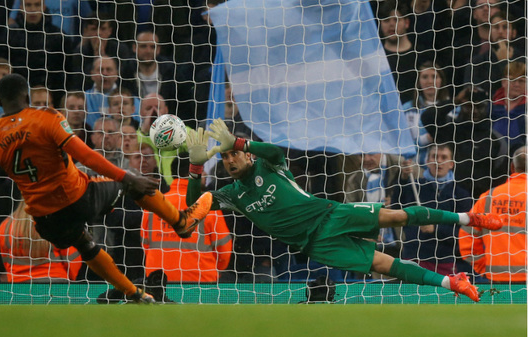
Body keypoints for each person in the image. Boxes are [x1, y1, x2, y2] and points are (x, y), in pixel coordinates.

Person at [0, 74, 213, 303]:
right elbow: (86, 156)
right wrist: (127, 177)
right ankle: (181, 221)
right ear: (28, 97)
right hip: (79, 196)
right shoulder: (46, 117)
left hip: (46, 220)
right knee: (133, 188)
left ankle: (133, 293)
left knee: (85, 244)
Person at [184, 118, 506, 302]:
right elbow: (192, 204)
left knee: (394, 216)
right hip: (315, 244)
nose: (229, 162)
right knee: (383, 263)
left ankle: (469, 218)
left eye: (233, 157)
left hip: (329, 213)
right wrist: (197, 166)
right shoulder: (230, 194)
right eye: (224, 160)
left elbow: (270, 149)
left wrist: (240, 143)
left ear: (246, 157)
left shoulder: (269, 166)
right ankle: (454, 283)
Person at [141, 154, 232, 282]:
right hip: (201, 282)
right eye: (203, 170)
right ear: (195, 173)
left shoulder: (153, 204)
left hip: (158, 282)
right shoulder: (208, 206)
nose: (205, 174)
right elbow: (224, 250)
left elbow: (145, 245)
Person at [392, 144, 473, 275]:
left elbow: (464, 232)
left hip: (445, 260)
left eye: (444, 157)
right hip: (414, 256)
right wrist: (403, 179)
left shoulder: (460, 194)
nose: (438, 161)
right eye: (434, 156)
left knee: (444, 296)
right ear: (427, 161)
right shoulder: (413, 185)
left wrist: (436, 229)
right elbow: (395, 209)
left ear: (451, 164)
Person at [459, 146, 528, 283]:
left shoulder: (489, 197)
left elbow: (467, 234)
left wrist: (483, 266)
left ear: (512, 167)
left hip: (496, 277)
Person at [0, 202, 82, 283]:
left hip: (18, 285)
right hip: (56, 282)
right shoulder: (57, 222)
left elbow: (6, 261)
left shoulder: (6, 226)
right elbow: (72, 258)